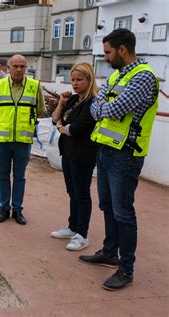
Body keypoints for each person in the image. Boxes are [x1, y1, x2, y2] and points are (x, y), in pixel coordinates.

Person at [79, 28, 159, 291]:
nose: (106, 57)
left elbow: (114, 108)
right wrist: (102, 108)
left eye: (108, 52)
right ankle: (110, 251)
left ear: (122, 49)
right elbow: (96, 104)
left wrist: (102, 108)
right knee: (107, 206)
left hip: (125, 154)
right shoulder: (116, 75)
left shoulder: (143, 77)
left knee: (124, 212)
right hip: (106, 149)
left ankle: (126, 268)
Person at [0, 54, 46, 225]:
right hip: (2, 141)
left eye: (22, 66)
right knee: (3, 176)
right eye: (15, 66)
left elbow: (40, 110)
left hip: (23, 141)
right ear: (8, 67)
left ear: (26, 68)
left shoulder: (35, 87)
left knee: (20, 177)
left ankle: (17, 210)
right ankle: (3, 208)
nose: (19, 69)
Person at [50, 62, 98, 251]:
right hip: (68, 152)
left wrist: (62, 128)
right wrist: (61, 103)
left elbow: (76, 128)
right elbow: (54, 118)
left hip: (83, 154)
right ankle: (72, 226)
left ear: (89, 79)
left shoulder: (92, 102)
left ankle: (82, 234)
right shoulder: (74, 100)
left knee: (82, 194)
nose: (75, 83)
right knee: (72, 192)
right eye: (73, 80)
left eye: (80, 79)